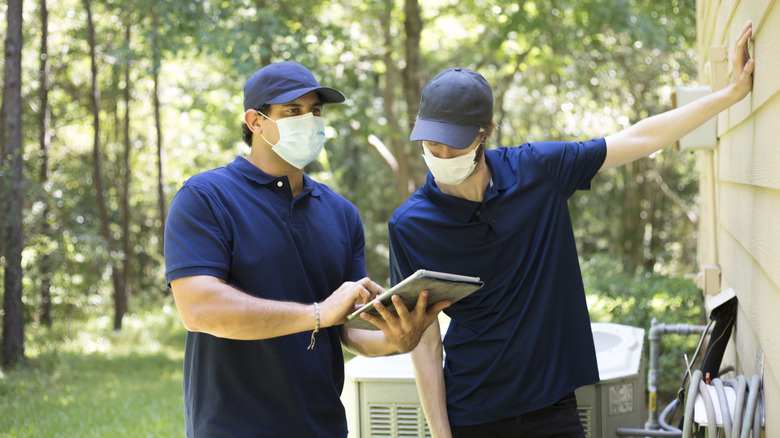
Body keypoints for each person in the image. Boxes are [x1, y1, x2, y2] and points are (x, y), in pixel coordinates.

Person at [389, 21, 755, 438]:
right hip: (473, 411)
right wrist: (440, 433)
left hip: (552, 405)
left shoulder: (538, 171)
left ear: (484, 133)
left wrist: (730, 95)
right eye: (431, 144)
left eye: (453, 144)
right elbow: (424, 338)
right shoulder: (409, 225)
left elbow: (637, 138)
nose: (440, 155)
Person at [164, 61, 448, 437]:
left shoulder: (341, 213)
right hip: (231, 428)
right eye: (292, 111)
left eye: (315, 110)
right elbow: (199, 309)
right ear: (255, 121)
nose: (310, 121)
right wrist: (317, 313)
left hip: (323, 427)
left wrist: (395, 340)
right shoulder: (205, 198)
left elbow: (347, 329)